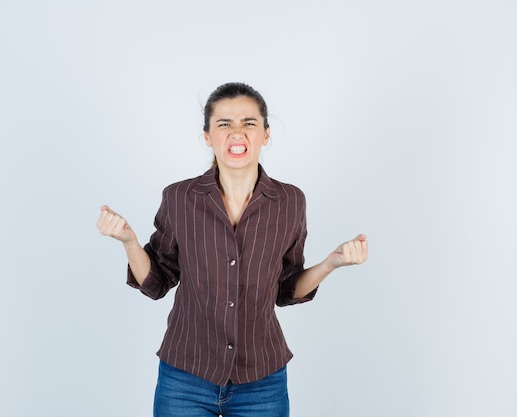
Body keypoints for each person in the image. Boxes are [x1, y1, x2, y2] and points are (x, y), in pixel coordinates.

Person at [96, 82, 368, 417]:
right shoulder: (179, 198)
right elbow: (157, 282)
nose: (236, 133)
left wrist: (332, 263)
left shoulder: (289, 202)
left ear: (265, 134)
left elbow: (286, 289)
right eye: (224, 124)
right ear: (208, 136)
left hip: (261, 380)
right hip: (185, 376)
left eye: (248, 123)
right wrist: (129, 242)